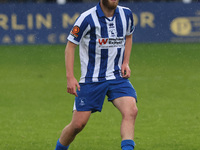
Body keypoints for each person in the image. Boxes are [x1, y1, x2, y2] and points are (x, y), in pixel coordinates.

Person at [55, 0, 138, 149]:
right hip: (91, 79)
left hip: (117, 76)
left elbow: (128, 37)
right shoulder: (86, 18)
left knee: (131, 111)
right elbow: (70, 46)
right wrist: (70, 77)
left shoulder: (126, 14)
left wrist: (125, 62)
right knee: (78, 125)